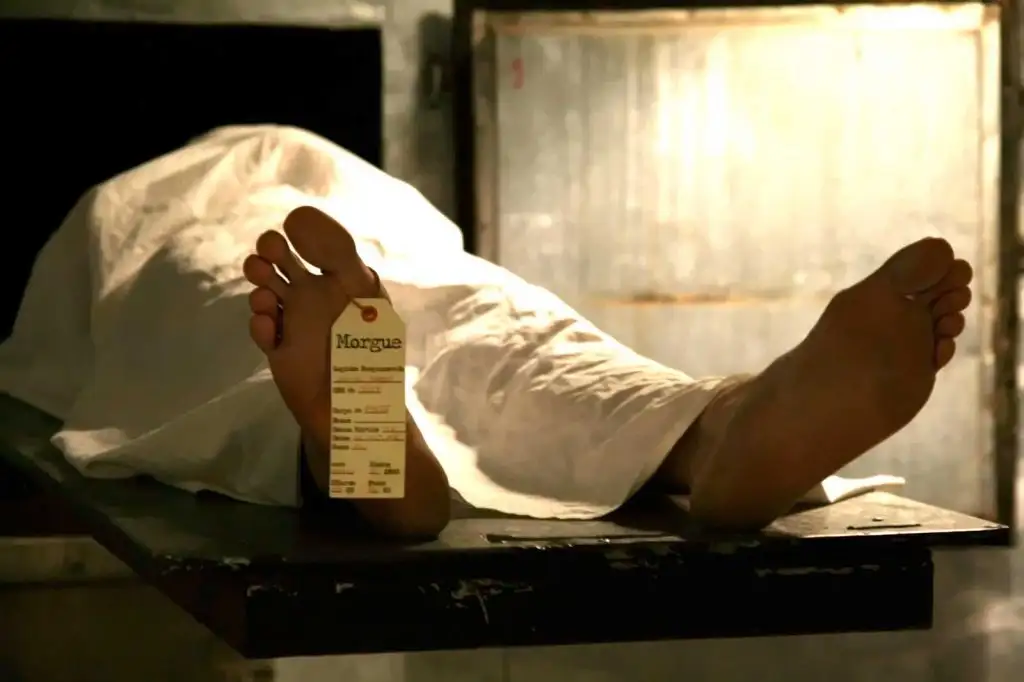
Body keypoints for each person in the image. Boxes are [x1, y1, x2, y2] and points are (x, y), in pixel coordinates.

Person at [0, 126, 973, 540]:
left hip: (288, 253)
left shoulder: (127, 204)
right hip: (384, 245)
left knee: (232, 308)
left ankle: (341, 449)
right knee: (503, 333)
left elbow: (60, 341)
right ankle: (706, 427)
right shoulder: (162, 198)